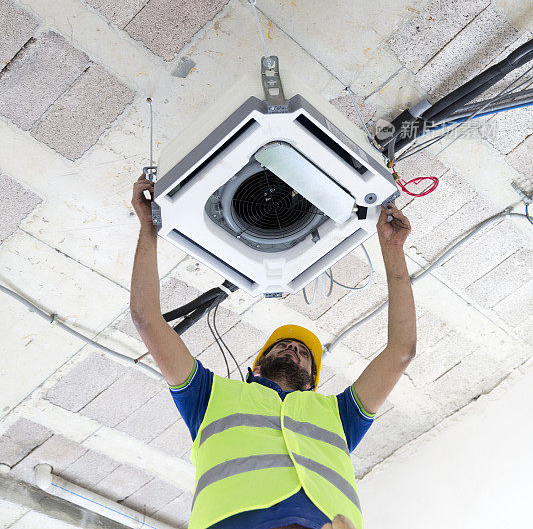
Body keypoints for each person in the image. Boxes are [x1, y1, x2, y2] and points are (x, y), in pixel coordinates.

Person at [130, 173, 416, 529]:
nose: (294, 348)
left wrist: (393, 249)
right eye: (284, 345)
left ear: (313, 383)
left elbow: (400, 352)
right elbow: (147, 320)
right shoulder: (210, 395)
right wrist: (148, 228)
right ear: (256, 369)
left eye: (301, 351)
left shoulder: (338, 414)